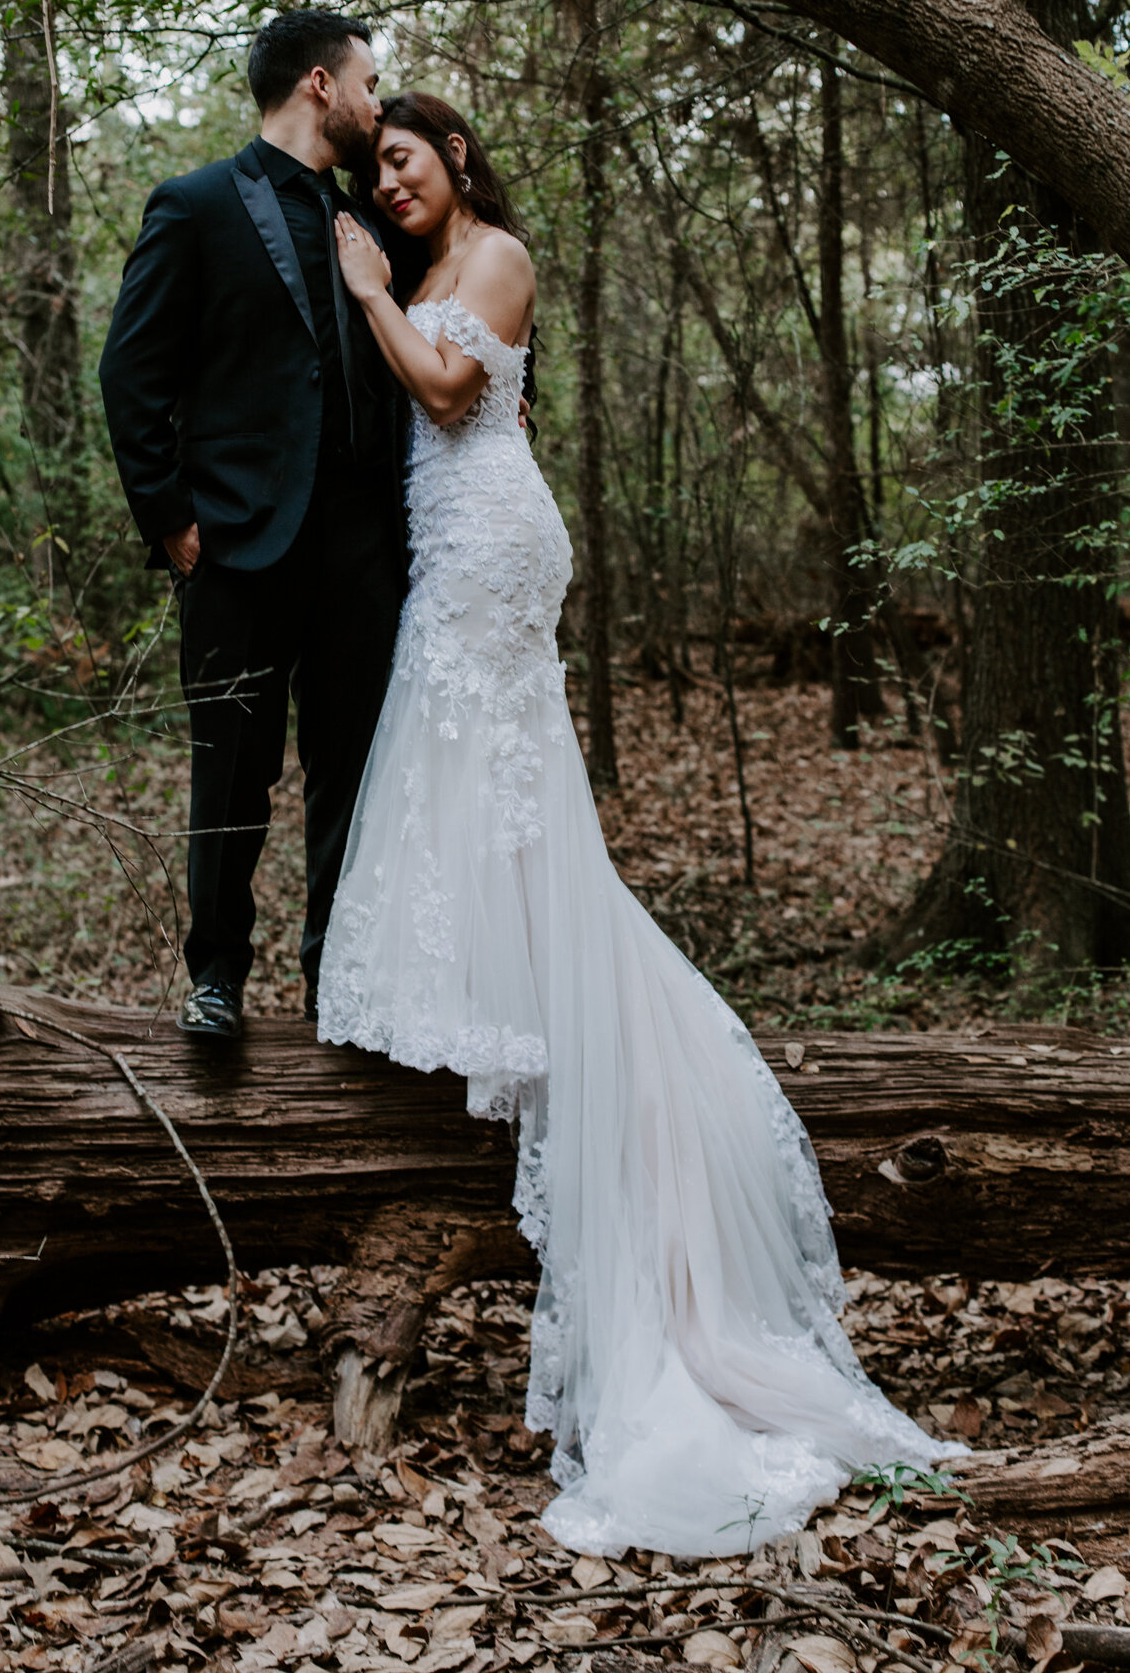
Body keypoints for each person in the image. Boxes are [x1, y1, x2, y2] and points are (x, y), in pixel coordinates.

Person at [317, 90, 960, 1557]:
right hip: (452, 535)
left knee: (485, 754)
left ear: (454, 156)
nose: (391, 186)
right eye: (377, 175)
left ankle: (552, 1013)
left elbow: (451, 396)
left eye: (404, 163)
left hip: (489, 541)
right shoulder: (432, 270)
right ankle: (514, 990)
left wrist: (366, 291)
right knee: (476, 770)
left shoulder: (496, 255)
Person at [99, 10, 407, 1039]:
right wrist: (172, 524)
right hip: (234, 544)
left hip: (364, 548)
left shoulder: (375, 218)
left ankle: (336, 981)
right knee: (231, 767)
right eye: (367, 80)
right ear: (318, 85)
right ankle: (217, 976)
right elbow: (130, 375)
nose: (376, 100)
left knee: (350, 771)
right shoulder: (191, 206)